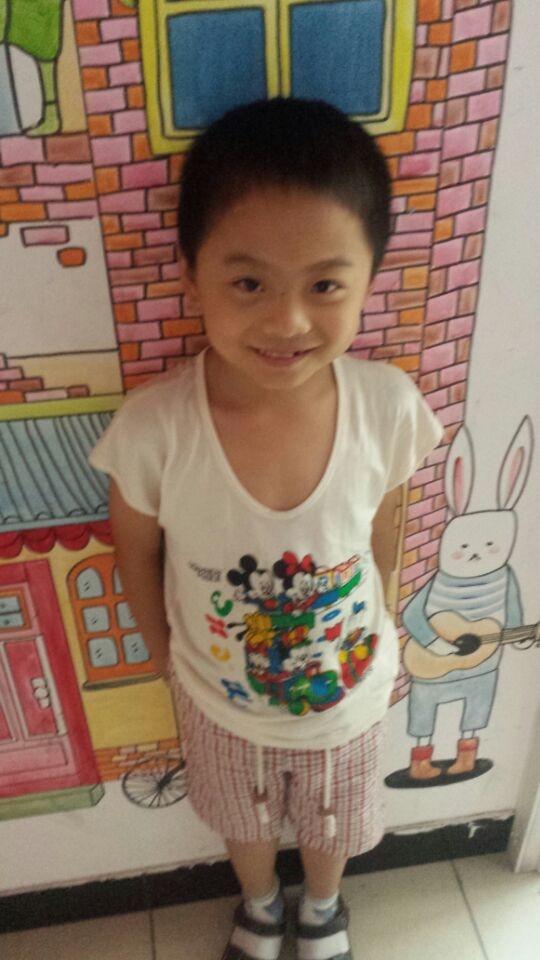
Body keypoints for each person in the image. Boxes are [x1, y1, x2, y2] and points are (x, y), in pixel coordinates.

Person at [90, 97, 443, 960]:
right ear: (192, 273)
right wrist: (164, 655)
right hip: (217, 701)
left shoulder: (387, 406)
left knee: (332, 825)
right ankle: (257, 904)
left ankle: (321, 909)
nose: (287, 322)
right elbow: (135, 549)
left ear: (369, 278)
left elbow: (388, 518)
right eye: (249, 283)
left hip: (349, 700)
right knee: (242, 821)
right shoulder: (155, 426)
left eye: (324, 285)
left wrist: (386, 614)